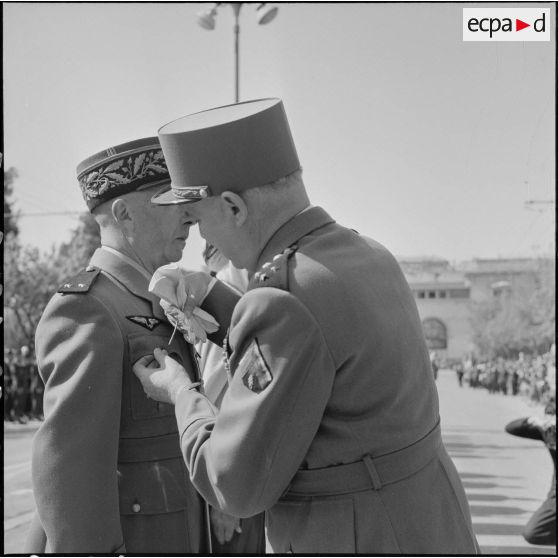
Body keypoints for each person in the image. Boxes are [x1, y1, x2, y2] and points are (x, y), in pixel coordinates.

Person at [134, 98, 479, 553]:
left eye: (199, 221)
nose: (202, 239)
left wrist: (181, 392)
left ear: (235, 207)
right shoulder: (366, 253)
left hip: (357, 535)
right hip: (427, 519)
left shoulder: (284, 297)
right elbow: (319, 343)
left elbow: (233, 484)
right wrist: (218, 299)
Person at [25, 137, 239, 554]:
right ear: (123, 214)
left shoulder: (157, 294)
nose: (189, 218)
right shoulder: (88, 309)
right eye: (168, 202)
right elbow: (72, 472)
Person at [198, 243, 265, 554]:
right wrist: (223, 502)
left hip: (239, 477)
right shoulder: (227, 303)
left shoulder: (239, 298)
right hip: (229, 482)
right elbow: (219, 400)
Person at [505, 398, 556, 546]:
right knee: (532, 533)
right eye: (549, 416)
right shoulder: (547, 432)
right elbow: (511, 428)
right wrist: (535, 421)